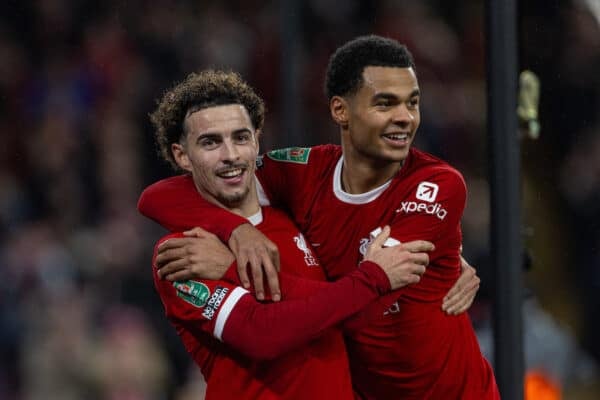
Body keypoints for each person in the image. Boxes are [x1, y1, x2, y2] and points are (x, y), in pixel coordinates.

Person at [139, 35, 499, 399]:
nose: (404, 117)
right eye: (210, 142)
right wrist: (235, 232)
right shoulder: (186, 253)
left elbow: (362, 304)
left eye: (413, 103)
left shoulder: (435, 185)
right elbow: (156, 196)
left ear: (256, 141)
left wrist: (233, 263)